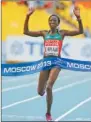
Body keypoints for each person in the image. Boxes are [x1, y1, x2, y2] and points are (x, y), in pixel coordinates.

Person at [24, 7, 83, 121]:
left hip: (56, 62)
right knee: (40, 92)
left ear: (58, 23)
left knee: (49, 87)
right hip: (45, 62)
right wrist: (27, 16)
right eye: (50, 21)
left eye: (54, 21)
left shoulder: (62, 33)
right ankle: (44, 92)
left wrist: (79, 18)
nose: (52, 22)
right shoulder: (44, 33)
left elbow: (80, 31)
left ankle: (48, 113)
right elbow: (26, 32)